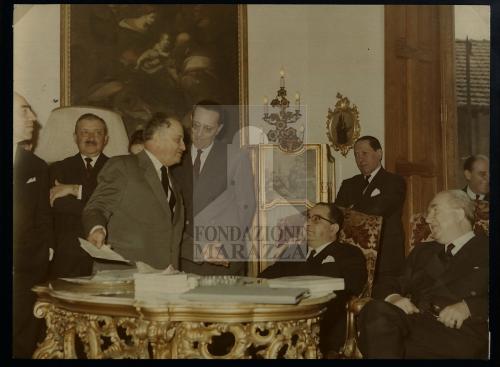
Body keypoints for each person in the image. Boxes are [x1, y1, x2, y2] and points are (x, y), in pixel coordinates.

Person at [358, 190, 489, 359]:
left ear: (458, 214)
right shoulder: (423, 252)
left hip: (458, 334)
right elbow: (387, 283)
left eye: (435, 211)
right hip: (414, 324)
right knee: (374, 310)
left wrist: (469, 307)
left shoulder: (486, 248)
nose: (427, 219)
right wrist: (394, 297)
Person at [259, 203, 367, 355]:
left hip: (324, 325)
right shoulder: (293, 252)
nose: (308, 223)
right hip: (280, 320)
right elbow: (263, 278)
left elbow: (353, 285)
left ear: (333, 228)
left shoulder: (348, 253)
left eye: (317, 219)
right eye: (308, 218)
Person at [82, 113, 185, 270]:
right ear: (157, 138)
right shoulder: (123, 166)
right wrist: (97, 228)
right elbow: (97, 206)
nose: (184, 147)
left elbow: (170, 234)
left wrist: (205, 249)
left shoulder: (173, 183)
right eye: (178, 140)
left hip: (162, 280)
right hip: (125, 278)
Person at [172, 100, 256, 276]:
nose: (199, 134)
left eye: (208, 129)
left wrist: (223, 244)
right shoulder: (175, 153)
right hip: (185, 255)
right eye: (196, 126)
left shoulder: (236, 157)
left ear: (219, 129)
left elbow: (246, 207)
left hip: (221, 254)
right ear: (191, 119)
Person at [13, 92, 53, 358]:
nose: (34, 117)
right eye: (25, 110)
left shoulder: (36, 167)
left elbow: (43, 221)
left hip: (23, 278)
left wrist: (37, 261)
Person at [335, 135, 406, 280]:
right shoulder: (349, 184)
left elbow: (379, 209)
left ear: (379, 154)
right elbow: (337, 214)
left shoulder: (395, 181)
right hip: (353, 256)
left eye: (364, 153)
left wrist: (351, 208)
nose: (360, 159)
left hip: (385, 258)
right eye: (356, 155)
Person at [48, 113, 109, 278]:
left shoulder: (117, 168)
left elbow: (116, 204)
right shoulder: (58, 168)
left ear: (106, 138)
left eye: (97, 132)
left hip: (104, 255)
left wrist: (76, 190)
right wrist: (98, 202)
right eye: (85, 132)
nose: (91, 137)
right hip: (67, 255)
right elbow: (58, 204)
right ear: (75, 137)